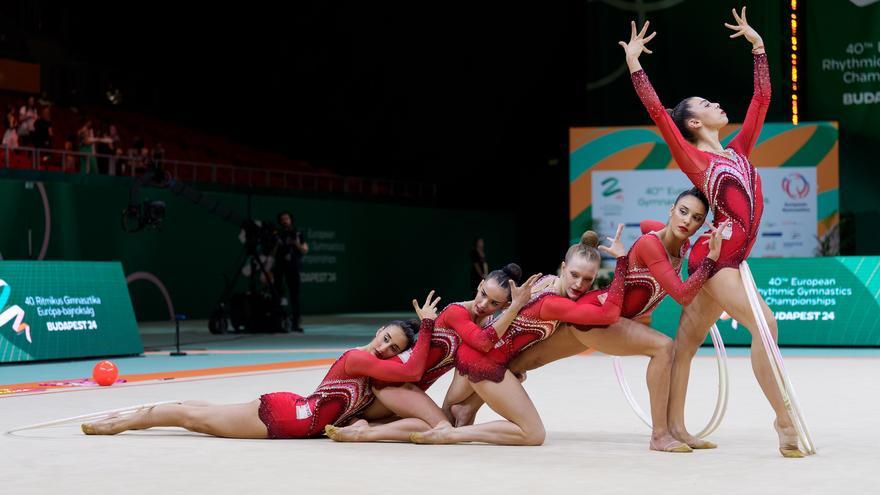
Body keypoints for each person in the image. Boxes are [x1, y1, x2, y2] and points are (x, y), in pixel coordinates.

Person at [622, 10, 803, 457]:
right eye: (705, 104)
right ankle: (782, 420)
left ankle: (677, 429)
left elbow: (761, 100)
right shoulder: (695, 161)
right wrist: (634, 65)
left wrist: (759, 47)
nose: (716, 105)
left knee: (685, 342)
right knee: (768, 326)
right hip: (718, 257)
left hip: (725, 257)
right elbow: (658, 115)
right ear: (694, 124)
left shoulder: (739, 150)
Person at [467, 190, 727, 452]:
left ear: (702, 223)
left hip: (604, 319)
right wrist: (711, 258)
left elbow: (650, 224)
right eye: (682, 212)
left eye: (696, 218)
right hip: (600, 315)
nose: (687, 222)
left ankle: (465, 407)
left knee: (523, 362)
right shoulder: (650, 245)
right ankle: (660, 435)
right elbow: (682, 294)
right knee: (664, 347)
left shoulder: (680, 244)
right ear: (671, 209)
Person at [81, 294, 440, 439]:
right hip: (285, 417)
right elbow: (410, 373)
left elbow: (404, 378)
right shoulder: (357, 359)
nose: (385, 347)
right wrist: (426, 326)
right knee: (192, 420)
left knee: (197, 412)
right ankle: (123, 423)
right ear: (377, 332)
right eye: (385, 338)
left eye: (393, 347)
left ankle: (138, 414)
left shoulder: (375, 375)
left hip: (294, 412)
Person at [408, 230, 628, 446]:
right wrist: (622, 262)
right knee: (532, 433)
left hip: (484, 355)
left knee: (454, 411)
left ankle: (463, 412)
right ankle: (452, 434)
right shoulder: (553, 303)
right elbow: (609, 314)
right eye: (574, 275)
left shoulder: (548, 281)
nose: (579, 284)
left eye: (587, 279)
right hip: (483, 359)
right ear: (563, 268)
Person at [326, 265, 541, 443]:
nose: (483, 304)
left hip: (411, 388)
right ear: (479, 285)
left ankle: (364, 425)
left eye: (494, 303)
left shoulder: (486, 324)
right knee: (442, 426)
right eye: (483, 294)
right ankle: (364, 433)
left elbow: (478, 364)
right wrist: (516, 307)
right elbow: (483, 343)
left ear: (503, 304)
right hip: (391, 384)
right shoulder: (456, 312)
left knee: (434, 425)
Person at [273, 211, 309, 332]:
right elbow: (271, 253)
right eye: (282, 219)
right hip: (279, 268)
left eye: (287, 218)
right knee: (278, 294)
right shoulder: (277, 234)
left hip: (293, 268)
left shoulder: (297, 233)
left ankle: (296, 323)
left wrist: (296, 243)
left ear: (291, 220)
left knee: (295, 296)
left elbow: (305, 250)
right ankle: (278, 321)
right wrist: (277, 244)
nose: (285, 221)